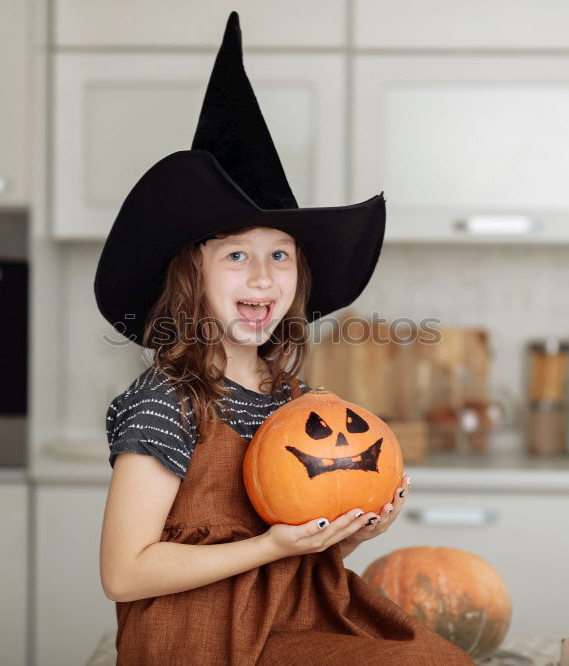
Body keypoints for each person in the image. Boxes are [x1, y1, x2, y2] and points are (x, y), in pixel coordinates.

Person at [94, 12, 474, 665]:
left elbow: (295, 551)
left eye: (281, 256)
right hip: (200, 641)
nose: (263, 277)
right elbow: (124, 573)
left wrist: (348, 534)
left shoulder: (294, 398)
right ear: (191, 276)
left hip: (288, 623)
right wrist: (272, 547)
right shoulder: (167, 401)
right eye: (236, 256)